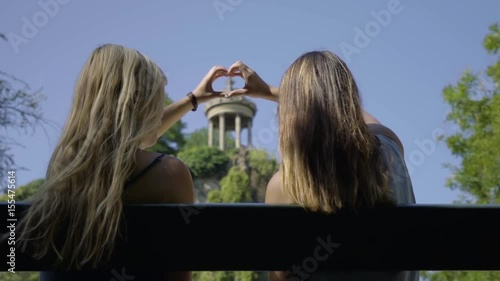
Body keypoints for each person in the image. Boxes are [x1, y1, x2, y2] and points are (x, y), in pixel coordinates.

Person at [12, 44, 228, 281]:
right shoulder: (169, 175)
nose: (160, 108)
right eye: (157, 99)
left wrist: (192, 100)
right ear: (140, 105)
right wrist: (191, 100)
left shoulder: (64, 170)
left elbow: (120, 142)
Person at [225, 51, 419, 281]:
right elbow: (365, 122)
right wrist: (272, 91)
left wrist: (292, 97)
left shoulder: (283, 186)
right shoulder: (389, 152)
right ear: (349, 100)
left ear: (289, 115)